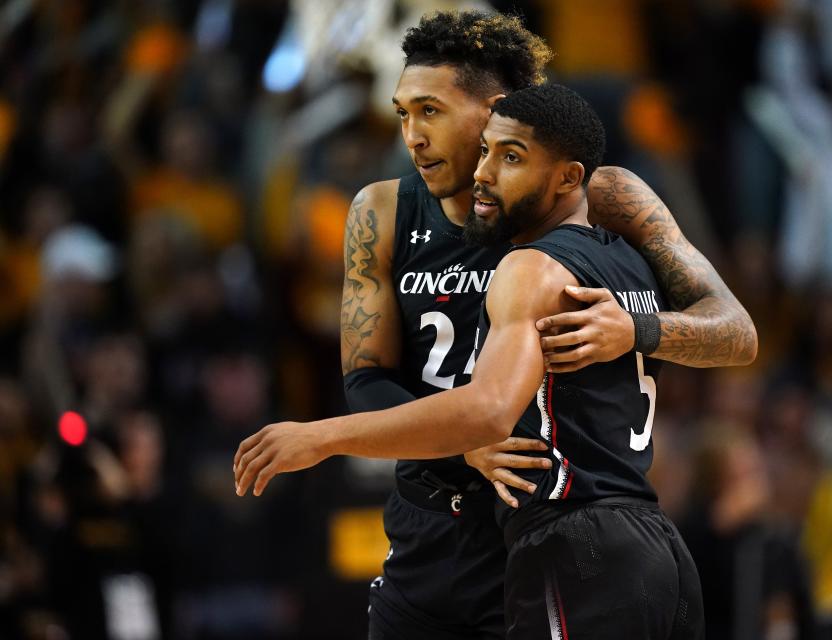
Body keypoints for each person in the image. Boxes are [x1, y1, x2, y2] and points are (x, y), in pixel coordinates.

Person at [245, 11, 757, 640]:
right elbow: (367, 377)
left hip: (538, 524)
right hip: (430, 529)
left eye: (430, 112)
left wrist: (638, 328)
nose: (412, 135)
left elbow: (733, 327)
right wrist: (465, 438)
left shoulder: (592, 196)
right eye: (403, 113)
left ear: (495, 111)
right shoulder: (380, 211)